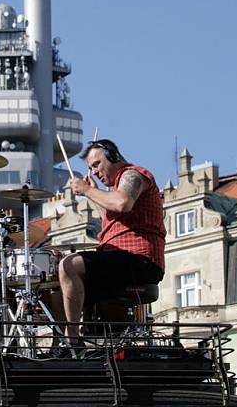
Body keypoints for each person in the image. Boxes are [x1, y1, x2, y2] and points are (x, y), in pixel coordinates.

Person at [58, 139, 165, 346]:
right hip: (121, 260)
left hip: (139, 260)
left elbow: (122, 203)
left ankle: (71, 340)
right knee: (57, 283)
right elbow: (110, 216)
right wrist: (92, 194)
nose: (95, 171)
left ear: (113, 156)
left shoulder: (133, 174)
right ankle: (63, 342)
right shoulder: (115, 189)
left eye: (97, 164)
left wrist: (88, 191)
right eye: (91, 168)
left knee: (69, 265)